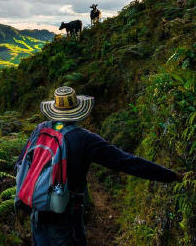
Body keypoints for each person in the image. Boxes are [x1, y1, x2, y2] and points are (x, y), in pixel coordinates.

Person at [29, 86, 183, 246]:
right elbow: (126, 162)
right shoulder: (84, 139)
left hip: (37, 212)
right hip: (65, 216)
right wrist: (172, 176)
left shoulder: (40, 130)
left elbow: (22, 164)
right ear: (78, 111)